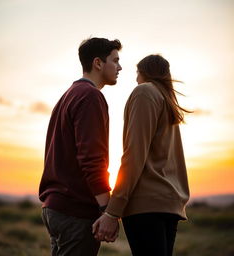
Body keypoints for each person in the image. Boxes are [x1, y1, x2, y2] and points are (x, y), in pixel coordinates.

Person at [93, 54, 190, 256]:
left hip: (146, 205)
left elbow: (134, 155)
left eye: (136, 74)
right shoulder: (166, 100)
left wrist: (113, 211)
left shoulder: (145, 92)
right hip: (168, 204)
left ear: (143, 73)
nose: (136, 80)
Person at [39, 37, 122, 256]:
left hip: (56, 207)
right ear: (98, 63)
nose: (120, 67)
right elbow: (92, 159)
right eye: (115, 60)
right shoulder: (90, 96)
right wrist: (108, 210)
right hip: (75, 210)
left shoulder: (69, 95)